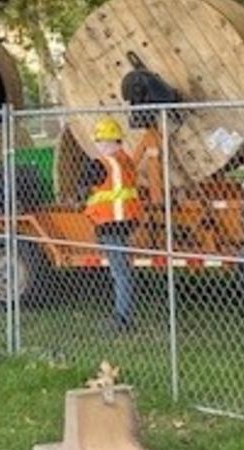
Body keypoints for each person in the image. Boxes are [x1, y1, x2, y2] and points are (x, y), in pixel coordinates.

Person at [83, 117, 141, 332]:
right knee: (123, 270)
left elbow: (85, 182)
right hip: (125, 222)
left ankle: (122, 318)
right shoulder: (126, 160)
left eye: (99, 142)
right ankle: (123, 315)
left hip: (109, 223)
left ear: (107, 141)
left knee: (120, 272)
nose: (97, 147)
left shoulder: (102, 163)